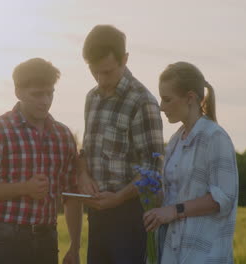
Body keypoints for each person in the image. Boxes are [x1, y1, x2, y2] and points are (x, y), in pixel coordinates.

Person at [0, 58, 82, 264]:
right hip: (6, 239)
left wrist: (74, 246)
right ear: (18, 92)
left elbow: (71, 194)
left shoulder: (63, 135)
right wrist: (24, 188)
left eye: (50, 93)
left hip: (48, 239)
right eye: (37, 94)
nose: (45, 100)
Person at [78, 25, 164, 264]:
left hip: (129, 217)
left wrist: (117, 198)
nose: (101, 80)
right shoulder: (91, 98)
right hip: (96, 216)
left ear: (125, 59)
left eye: (107, 72)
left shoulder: (143, 102)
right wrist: (83, 174)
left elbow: (153, 169)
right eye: (95, 72)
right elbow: (86, 150)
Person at [143, 61, 239, 263]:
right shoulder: (176, 140)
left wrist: (173, 211)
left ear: (190, 98)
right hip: (173, 253)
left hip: (205, 255)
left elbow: (224, 198)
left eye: (167, 99)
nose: (161, 107)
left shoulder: (215, 137)